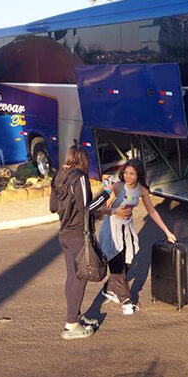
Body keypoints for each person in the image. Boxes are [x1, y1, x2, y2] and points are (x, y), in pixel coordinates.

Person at [49, 145, 129, 340]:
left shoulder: (59, 176)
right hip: (79, 235)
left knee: (72, 277)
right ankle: (71, 324)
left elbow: (53, 207)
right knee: (80, 278)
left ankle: (75, 317)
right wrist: (106, 193)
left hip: (65, 234)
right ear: (82, 160)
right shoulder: (80, 177)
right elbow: (88, 208)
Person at [99, 158, 177, 315]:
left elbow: (152, 212)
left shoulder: (142, 190)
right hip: (112, 227)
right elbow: (102, 208)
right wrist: (115, 211)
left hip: (126, 228)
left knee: (128, 261)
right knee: (118, 263)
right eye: (126, 172)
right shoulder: (118, 187)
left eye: (132, 174)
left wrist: (167, 232)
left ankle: (109, 288)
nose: (127, 176)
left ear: (138, 175)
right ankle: (126, 300)